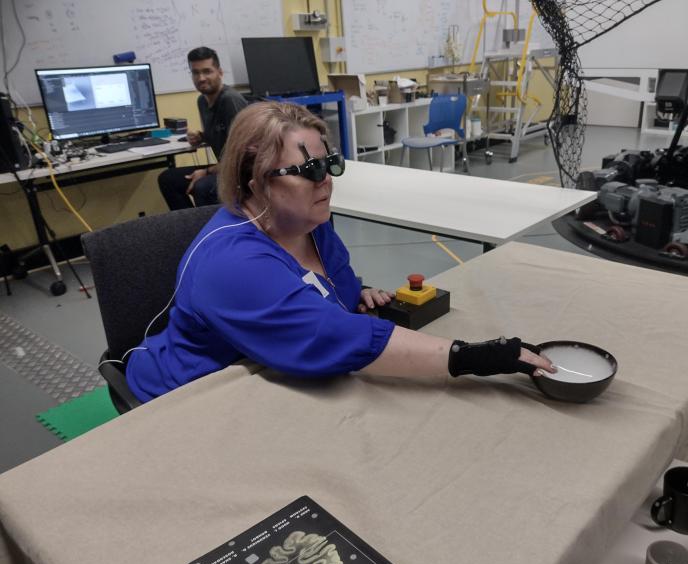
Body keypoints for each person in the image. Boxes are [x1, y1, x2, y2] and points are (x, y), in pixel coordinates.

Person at [126, 101, 554, 403]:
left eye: (330, 165)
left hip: (266, 372)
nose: (326, 181)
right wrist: (470, 356)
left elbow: (328, 295)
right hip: (192, 395)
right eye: (308, 170)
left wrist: (355, 293)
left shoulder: (310, 223)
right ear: (253, 180)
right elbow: (334, 335)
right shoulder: (233, 263)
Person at [157, 47, 248, 211]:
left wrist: (206, 171)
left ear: (219, 72)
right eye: (195, 73)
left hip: (240, 172)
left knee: (202, 187)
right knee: (168, 179)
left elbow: (242, 157)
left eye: (207, 71)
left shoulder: (230, 101)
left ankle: (211, 232)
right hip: (223, 167)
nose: (201, 78)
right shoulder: (202, 101)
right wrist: (202, 136)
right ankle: (190, 230)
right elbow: (222, 133)